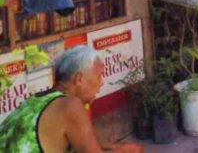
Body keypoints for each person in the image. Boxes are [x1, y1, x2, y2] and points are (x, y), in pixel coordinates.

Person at [0, 45, 143, 152]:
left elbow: (79, 141)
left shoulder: (35, 100)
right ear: (79, 79)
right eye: (99, 75)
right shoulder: (69, 106)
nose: (102, 82)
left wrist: (111, 147)